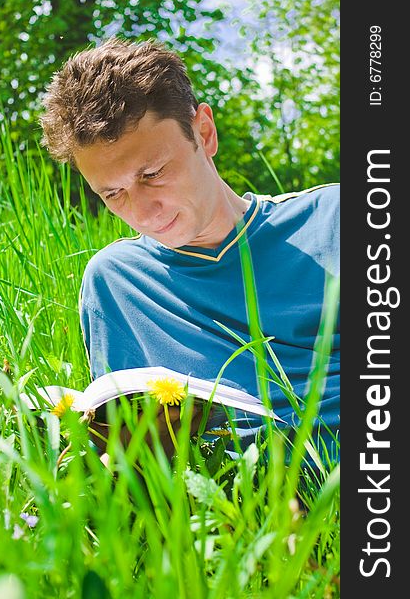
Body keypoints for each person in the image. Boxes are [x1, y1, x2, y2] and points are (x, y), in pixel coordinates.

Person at [39, 37, 340, 465]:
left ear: (205, 133)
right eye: (112, 193)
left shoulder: (334, 220)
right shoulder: (118, 283)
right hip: (230, 506)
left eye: (153, 173)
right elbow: (127, 436)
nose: (142, 211)